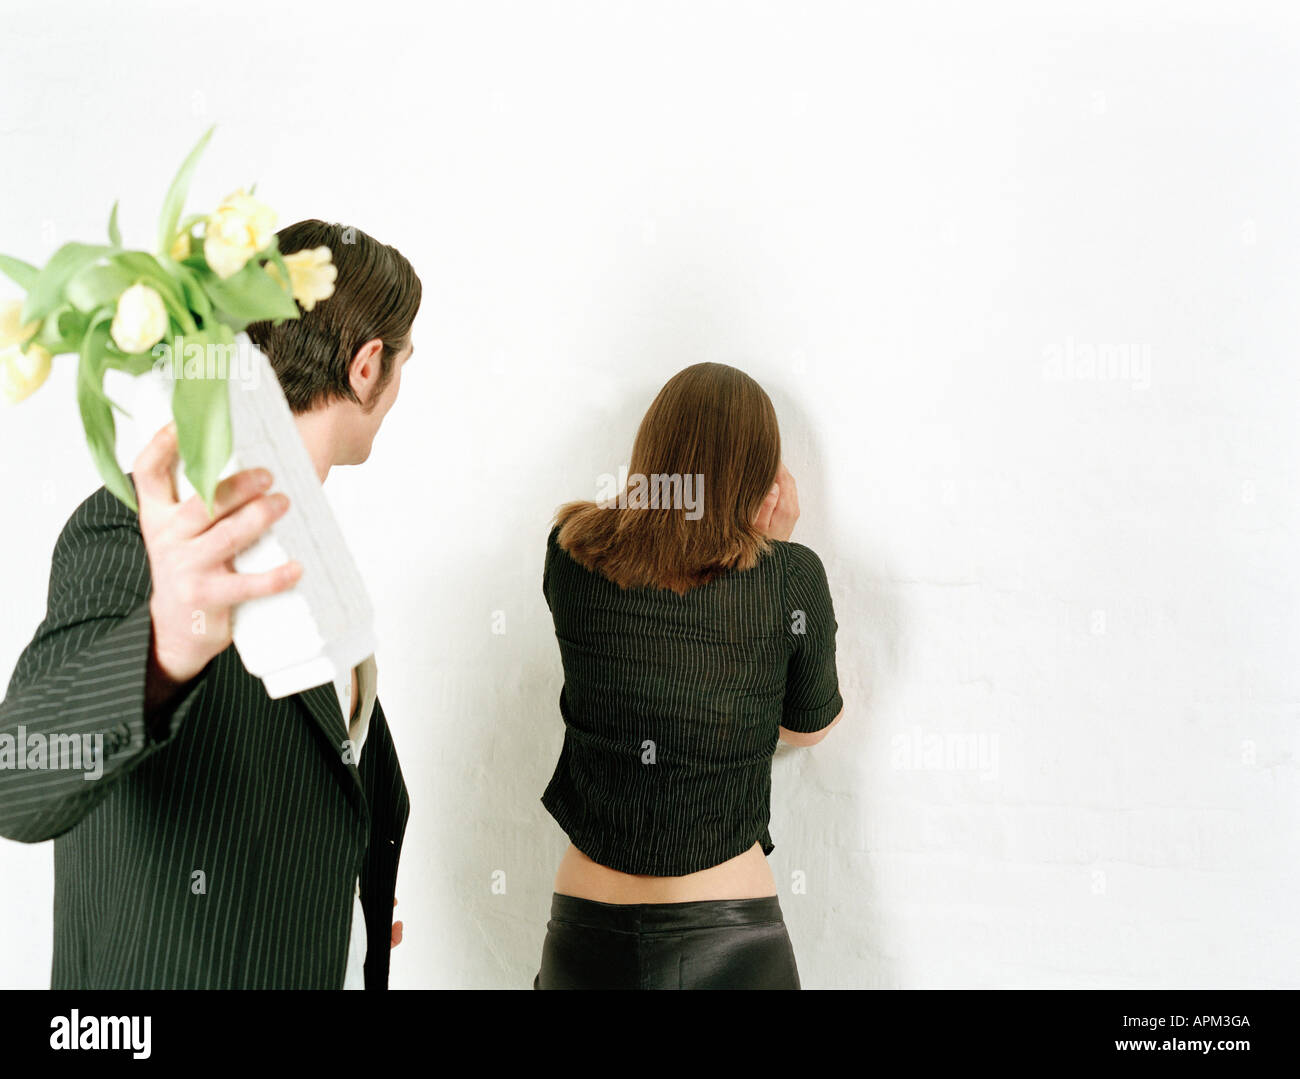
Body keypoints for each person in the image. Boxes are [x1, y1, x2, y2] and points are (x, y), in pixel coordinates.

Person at [0, 220, 421, 989]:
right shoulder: (140, 527)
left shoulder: (316, 554)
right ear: (368, 368)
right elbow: (17, 770)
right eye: (405, 363)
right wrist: (165, 646)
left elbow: (334, 772)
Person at [534, 362, 844, 990]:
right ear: (762, 479)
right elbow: (806, 725)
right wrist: (773, 549)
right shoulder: (791, 575)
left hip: (585, 933)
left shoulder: (570, 555)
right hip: (727, 937)